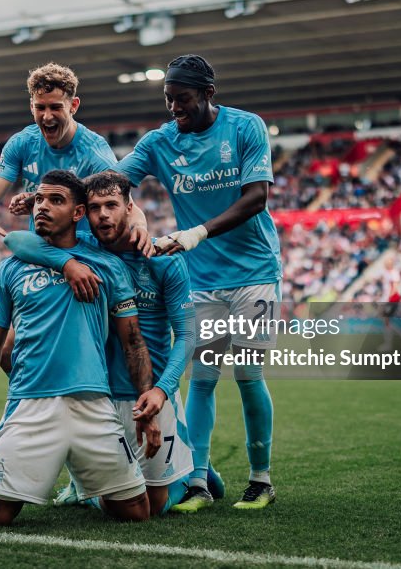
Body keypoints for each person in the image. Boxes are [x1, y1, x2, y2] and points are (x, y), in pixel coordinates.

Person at [115, 54, 282, 512]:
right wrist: (64, 188)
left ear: (208, 94)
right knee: (203, 381)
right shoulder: (160, 142)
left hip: (254, 275)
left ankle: (260, 480)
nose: (174, 109)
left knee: (248, 375)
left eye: (182, 100)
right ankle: (198, 482)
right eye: (169, 101)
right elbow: (111, 183)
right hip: (203, 281)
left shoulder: (246, 128)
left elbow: (256, 198)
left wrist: (195, 233)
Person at [0, 170, 164, 526]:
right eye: (40, 199)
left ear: (78, 214)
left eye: (55, 200)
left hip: (94, 403)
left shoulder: (108, 266)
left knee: (136, 513)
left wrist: (146, 405)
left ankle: (91, 486)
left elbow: (132, 341)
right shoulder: (12, 268)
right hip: (30, 402)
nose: (43, 206)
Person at [4, 170, 204, 515]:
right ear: (84, 212)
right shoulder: (86, 251)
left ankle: (202, 476)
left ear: (130, 208)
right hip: (98, 396)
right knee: (118, 500)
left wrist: (162, 390)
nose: (103, 215)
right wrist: (66, 262)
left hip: (150, 392)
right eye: (95, 207)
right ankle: (83, 482)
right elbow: (16, 241)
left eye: (112, 205)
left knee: (155, 506)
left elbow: (187, 335)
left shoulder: (164, 259)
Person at [0, 62, 150, 258]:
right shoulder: (22, 143)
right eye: (40, 108)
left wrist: (139, 226)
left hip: (85, 256)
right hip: (43, 252)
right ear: (31, 107)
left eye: (55, 107)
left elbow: (125, 205)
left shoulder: (94, 151)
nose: (47, 117)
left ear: (73, 106)